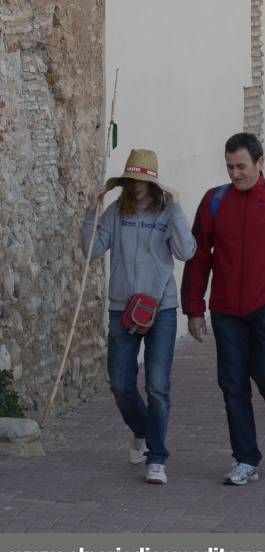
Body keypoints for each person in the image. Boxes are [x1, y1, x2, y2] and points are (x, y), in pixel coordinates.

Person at [182, 133, 265, 486]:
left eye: (241, 166)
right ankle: (245, 459)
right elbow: (199, 259)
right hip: (226, 311)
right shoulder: (213, 202)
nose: (235, 173)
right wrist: (194, 309)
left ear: (260, 162)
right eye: (229, 167)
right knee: (232, 385)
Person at [82, 149, 196, 485]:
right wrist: (92, 210)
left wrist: (176, 209)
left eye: (144, 180)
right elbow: (91, 250)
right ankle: (143, 430)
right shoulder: (117, 211)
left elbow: (186, 251)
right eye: (133, 179)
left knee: (158, 386)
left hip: (160, 308)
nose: (137, 186)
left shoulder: (166, 212)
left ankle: (157, 458)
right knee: (119, 383)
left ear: (154, 182)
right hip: (122, 306)